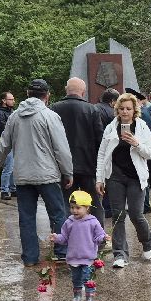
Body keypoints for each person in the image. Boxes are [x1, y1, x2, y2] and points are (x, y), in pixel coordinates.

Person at [0, 79, 75, 267]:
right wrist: (67, 172)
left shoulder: (14, 117)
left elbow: (3, 145)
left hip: (23, 176)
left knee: (26, 217)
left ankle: (29, 257)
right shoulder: (50, 116)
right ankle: (61, 252)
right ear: (47, 95)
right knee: (58, 214)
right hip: (47, 175)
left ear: (27, 94)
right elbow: (61, 148)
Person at [96, 91, 151, 268]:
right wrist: (99, 179)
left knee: (137, 214)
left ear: (134, 110)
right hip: (115, 177)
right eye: (121, 108)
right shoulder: (110, 127)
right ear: (117, 109)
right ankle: (120, 254)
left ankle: (147, 240)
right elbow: (102, 154)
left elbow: (150, 153)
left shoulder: (142, 127)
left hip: (136, 177)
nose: (124, 112)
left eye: (128, 109)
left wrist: (136, 143)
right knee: (118, 214)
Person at [53, 78, 106, 222]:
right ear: (83, 92)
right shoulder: (92, 109)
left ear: (66, 89)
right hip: (88, 165)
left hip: (62, 166)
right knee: (94, 202)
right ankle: (98, 236)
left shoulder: (54, 108)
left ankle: (64, 238)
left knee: (64, 203)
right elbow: (99, 140)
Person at [51, 190, 107, 301]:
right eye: (72, 207)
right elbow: (64, 238)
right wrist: (56, 238)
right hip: (73, 257)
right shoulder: (69, 222)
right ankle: (77, 295)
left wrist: (103, 237)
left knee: (88, 278)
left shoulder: (93, 222)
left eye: (78, 208)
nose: (74, 210)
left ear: (87, 208)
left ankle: (89, 298)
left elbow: (98, 236)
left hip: (88, 257)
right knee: (76, 278)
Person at [0, 91, 16, 199]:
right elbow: (4, 129)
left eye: (13, 99)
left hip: (15, 142)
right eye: (10, 99)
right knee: (8, 167)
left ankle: (13, 189)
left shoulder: (12, 111)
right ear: (4, 100)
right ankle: (4, 190)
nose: (13, 101)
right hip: (6, 143)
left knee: (14, 167)